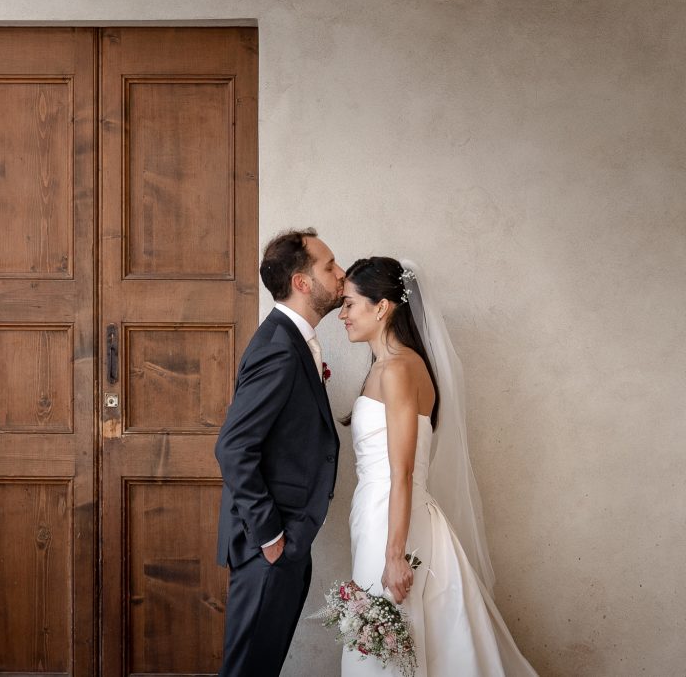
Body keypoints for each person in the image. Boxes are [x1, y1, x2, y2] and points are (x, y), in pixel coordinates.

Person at [337, 256, 537, 676]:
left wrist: (394, 554)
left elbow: (403, 470)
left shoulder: (398, 370)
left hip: (392, 521)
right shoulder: (392, 367)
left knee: (386, 644)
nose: (343, 314)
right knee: (396, 638)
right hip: (382, 512)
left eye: (351, 303)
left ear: (382, 306)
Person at [214, 228, 345, 677]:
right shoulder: (280, 349)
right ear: (302, 283)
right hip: (266, 544)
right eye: (329, 266)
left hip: (284, 541)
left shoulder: (291, 341)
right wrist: (271, 538)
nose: (341, 275)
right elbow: (234, 446)